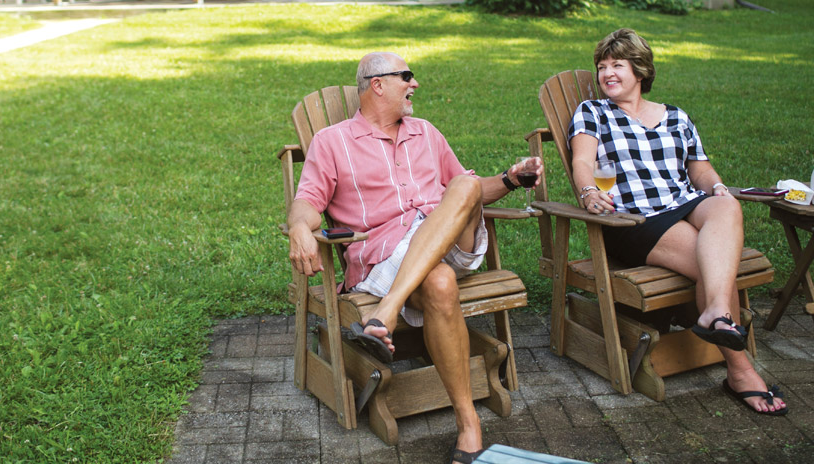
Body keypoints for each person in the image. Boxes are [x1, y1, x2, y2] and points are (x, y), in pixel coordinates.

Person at [288, 52, 543, 463]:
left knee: (463, 183)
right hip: (383, 259)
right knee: (439, 282)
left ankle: (386, 315)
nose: (415, 84)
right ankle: (469, 424)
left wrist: (512, 180)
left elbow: (469, 193)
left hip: (450, 246)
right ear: (377, 84)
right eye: (406, 76)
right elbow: (307, 201)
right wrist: (301, 228)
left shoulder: (426, 132)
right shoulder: (332, 142)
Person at [568, 28, 787, 416]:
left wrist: (717, 187)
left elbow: (700, 171)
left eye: (617, 64)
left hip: (684, 202)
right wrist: (588, 192)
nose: (607, 73)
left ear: (640, 70)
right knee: (714, 264)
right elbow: (583, 161)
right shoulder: (593, 112)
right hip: (635, 219)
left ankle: (713, 312)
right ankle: (740, 371)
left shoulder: (676, 116)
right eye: (602, 67)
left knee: (727, 206)